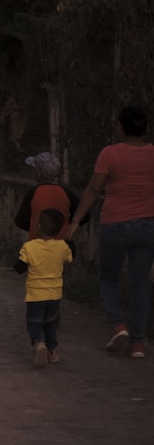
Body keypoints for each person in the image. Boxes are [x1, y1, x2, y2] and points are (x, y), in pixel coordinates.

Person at [67, 104, 154, 359]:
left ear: (120, 126)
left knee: (108, 278)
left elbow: (93, 190)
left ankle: (118, 326)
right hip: (148, 224)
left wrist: (75, 222)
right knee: (140, 284)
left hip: (115, 223)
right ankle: (138, 343)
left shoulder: (109, 154)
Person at [14, 209, 74, 367]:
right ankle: (52, 352)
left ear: (39, 226)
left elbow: (19, 267)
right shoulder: (62, 247)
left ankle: (38, 344)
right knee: (51, 323)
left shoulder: (30, 247)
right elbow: (70, 258)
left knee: (34, 322)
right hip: (54, 294)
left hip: (35, 295)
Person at [14, 152, 81, 240]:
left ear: (38, 173)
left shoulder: (33, 193)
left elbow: (20, 221)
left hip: (38, 246)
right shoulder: (67, 193)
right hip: (63, 246)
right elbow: (82, 215)